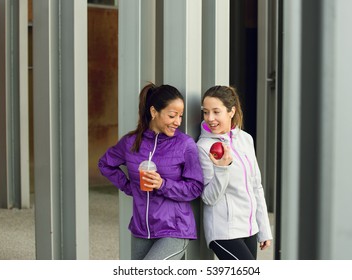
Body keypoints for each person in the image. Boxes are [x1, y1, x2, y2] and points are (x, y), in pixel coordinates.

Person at [98, 83, 204, 260]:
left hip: (175, 229)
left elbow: (195, 187)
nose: (178, 122)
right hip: (142, 229)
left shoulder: (185, 144)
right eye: (172, 115)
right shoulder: (131, 142)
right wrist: (130, 187)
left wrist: (162, 184)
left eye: (180, 116)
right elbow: (105, 164)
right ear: (154, 112)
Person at [197, 85, 273, 260]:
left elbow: (256, 186)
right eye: (206, 112)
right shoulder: (203, 147)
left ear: (231, 111)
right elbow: (209, 198)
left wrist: (263, 229)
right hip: (223, 231)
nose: (210, 118)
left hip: (249, 228)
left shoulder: (246, 139)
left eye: (216, 112)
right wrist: (222, 169)